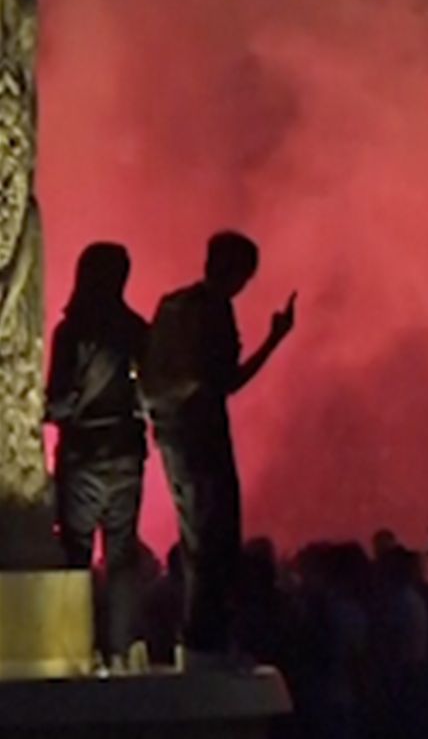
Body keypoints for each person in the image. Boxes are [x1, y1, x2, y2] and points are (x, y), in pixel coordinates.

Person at [143, 231, 295, 668]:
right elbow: (224, 381)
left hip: (174, 435)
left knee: (200, 537)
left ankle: (200, 637)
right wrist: (275, 340)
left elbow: (155, 373)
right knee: (214, 538)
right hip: (201, 435)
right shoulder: (211, 311)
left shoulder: (173, 306)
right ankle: (203, 641)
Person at [45, 242, 149, 671]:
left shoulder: (73, 332)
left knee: (76, 551)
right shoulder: (137, 329)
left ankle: (73, 648)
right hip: (126, 452)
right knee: (121, 552)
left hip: (83, 454)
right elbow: (149, 394)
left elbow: (62, 398)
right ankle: (120, 647)